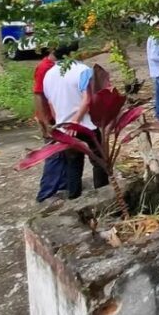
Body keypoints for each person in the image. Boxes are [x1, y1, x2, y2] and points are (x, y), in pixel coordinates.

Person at [43, 46, 106, 200]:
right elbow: (87, 99)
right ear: (73, 53)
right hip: (86, 125)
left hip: (64, 128)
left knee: (73, 163)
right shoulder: (82, 70)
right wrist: (75, 121)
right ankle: (103, 196)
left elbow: (51, 104)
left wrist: (62, 123)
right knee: (99, 161)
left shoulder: (49, 75)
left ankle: (74, 197)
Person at [33, 49, 66, 202]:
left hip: (59, 116)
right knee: (54, 154)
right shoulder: (45, 68)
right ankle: (46, 192)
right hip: (50, 118)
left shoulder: (57, 65)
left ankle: (63, 185)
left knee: (64, 153)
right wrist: (44, 121)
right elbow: (38, 95)